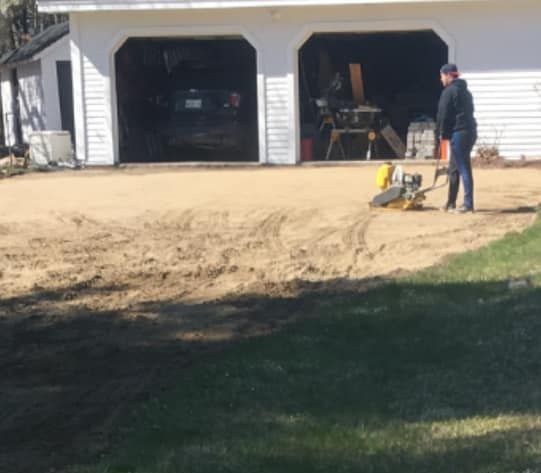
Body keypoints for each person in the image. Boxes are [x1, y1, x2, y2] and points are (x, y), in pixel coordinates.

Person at [437, 63, 477, 213]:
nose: (441, 79)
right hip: (470, 131)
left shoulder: (449, 92)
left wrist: (441, 133)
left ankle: (468, 204)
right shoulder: (466, 92)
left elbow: (443, 115)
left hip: (460, 133)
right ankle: (451, 202)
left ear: (448, 75)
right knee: (454, 167)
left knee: (463, 167)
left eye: (441, 75)